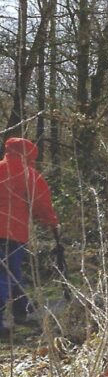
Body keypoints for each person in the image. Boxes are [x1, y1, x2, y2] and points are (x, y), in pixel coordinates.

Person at [0, 138, 60, 336]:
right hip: (13, 232)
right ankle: (12, 317)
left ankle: (21, 311)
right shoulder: (29, 174)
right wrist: (50, 221)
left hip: (11, 232)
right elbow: (41, 203)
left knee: (11, 273)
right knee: (7, 274)